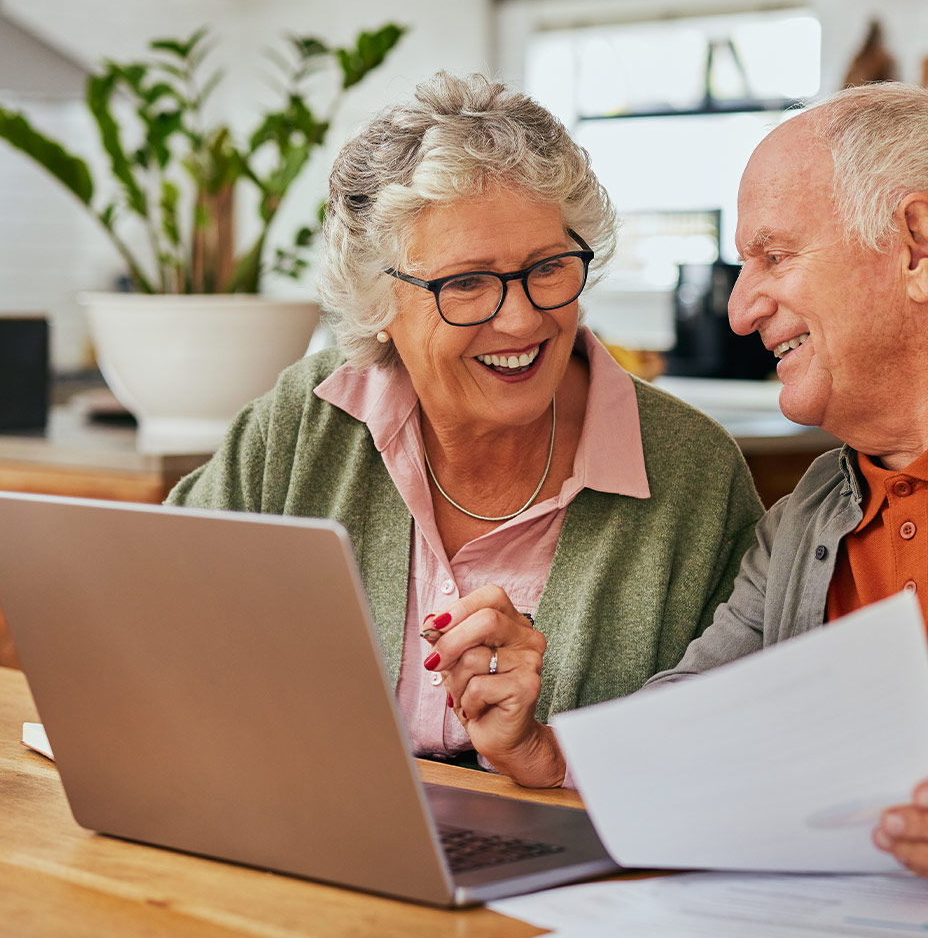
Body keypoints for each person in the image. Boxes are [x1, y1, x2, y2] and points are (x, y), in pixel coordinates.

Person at [430, 82, 928, 900]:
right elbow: (692, 725)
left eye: (773, 257)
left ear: (915, 246)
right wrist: (542, 750)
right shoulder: (805, 518)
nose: (739, 309)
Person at [165, 72, 764, 784]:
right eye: (466, 283)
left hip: (579, 880)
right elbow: (158, 613)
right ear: (377, 300)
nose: (520, 320)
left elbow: (742, 747)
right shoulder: (307, 419)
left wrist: (550, 753)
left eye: (547, 267)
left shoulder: (691, 470)